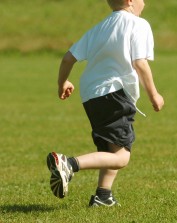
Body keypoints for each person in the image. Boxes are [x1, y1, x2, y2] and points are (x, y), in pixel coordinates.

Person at [46, 0, 164, 207]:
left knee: (110, 149)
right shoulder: (138, 24)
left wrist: (62, 83)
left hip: (91, 94)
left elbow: (67, 58)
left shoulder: (100, 27)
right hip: (115, 93)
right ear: (130, 1)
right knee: (121, 157)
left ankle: (103, 195)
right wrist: (154, 94)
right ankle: (69, 164)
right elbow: (140, 63)